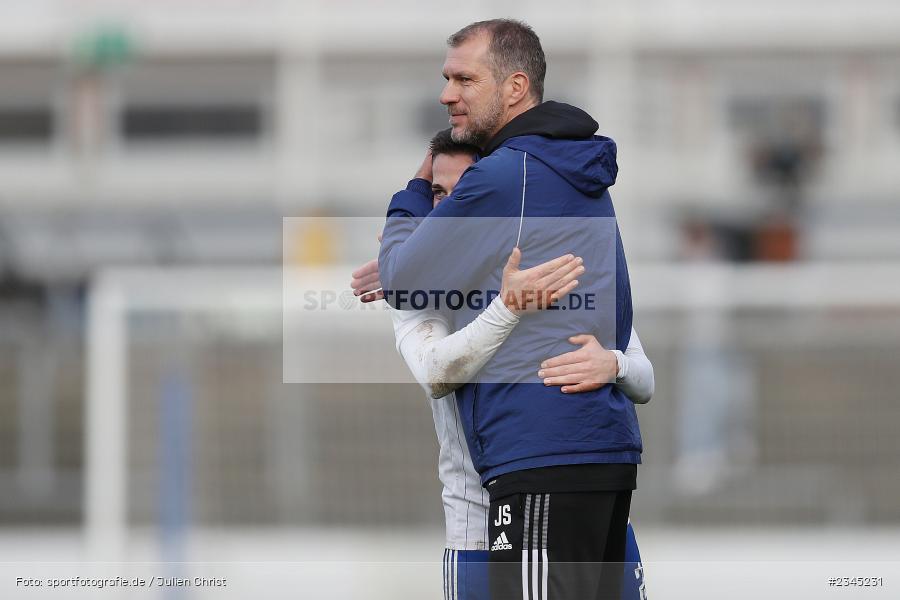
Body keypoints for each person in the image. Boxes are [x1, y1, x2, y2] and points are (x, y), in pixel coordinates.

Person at [377, 20, 642, 599]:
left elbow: (400, 280)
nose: (448, 94)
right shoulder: (573, 169)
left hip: (539, 455)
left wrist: (415, 193)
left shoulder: (507, 173)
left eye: (464, 79)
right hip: (598, 447)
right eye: (447, 79)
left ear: (516, 86)